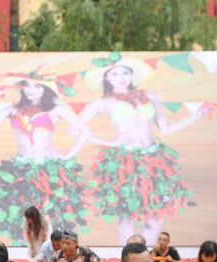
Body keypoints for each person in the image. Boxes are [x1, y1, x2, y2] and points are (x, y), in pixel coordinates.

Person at [79, 54, 206, 244]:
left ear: (132, 76)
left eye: (125, 73)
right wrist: (107, 143)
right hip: (125, 160)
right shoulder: (103, 102)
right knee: (128, 214)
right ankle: (128, 260)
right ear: (106, 78)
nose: (121, 78)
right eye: (114, 74)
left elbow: (165, 127)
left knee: (157, 214)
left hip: (153, 158)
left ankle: (144, 258)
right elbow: (76, 127)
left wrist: (194, 117)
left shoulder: (149, 96)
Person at [0, 70, 90, 242]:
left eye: (37, 86)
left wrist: (68, 155)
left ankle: (51, 253)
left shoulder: (57, 109)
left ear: (46, 90)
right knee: (23, 215)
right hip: (21, 169)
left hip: (48, 167)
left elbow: (84, 131)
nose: (31, 90)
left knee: (50, 213)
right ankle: (31, 254)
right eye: (26, 85)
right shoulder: (13, 109)